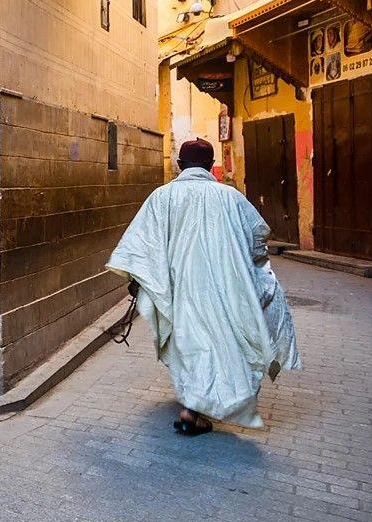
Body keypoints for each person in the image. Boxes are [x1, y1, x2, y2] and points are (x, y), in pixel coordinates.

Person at [107, 138, 301, 435]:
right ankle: (195, 408)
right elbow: (258, 235)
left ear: (180, 165)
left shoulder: (162, 197)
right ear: (211, 166)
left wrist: (139, 281)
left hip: (179, 289)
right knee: (218, 343)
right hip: (226, 289)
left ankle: (192, 408)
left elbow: (140, 246)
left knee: (190, 344)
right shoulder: (231, 197)